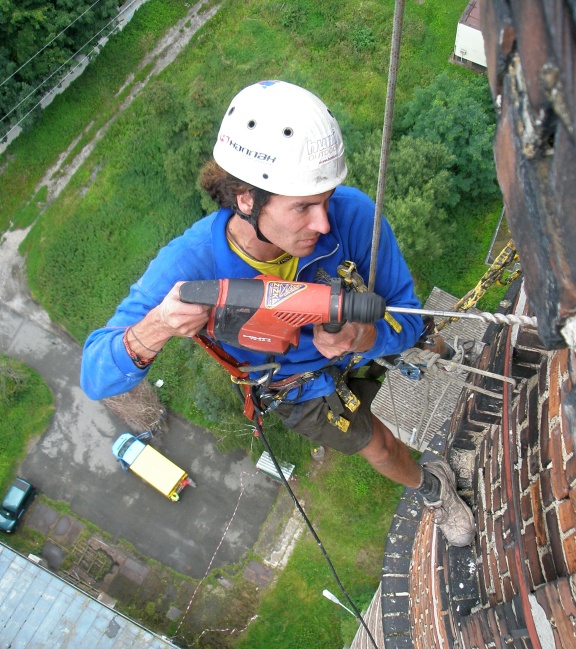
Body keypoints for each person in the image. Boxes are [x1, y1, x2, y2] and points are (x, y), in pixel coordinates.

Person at [81, 79, 475, 547]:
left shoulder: (353, 216)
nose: (324, 224)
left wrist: (365, 338)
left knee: (419, 336)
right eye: (304, 207)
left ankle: (441, 354)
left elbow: (404, 314)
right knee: (380, 445)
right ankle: (433, 488)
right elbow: (96, 375)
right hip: (298, 384)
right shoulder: (193, 266)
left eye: (327, 198)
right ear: (246, 198)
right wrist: (155, 328)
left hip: (358, 334)